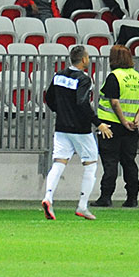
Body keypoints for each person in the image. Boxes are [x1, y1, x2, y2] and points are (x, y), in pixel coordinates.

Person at [42, 45, 113, 220]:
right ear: (83, 60)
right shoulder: (84, 79)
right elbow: (82, 103)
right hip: (80, 129)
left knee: (58, 163)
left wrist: (61, 111)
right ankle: (82, 205)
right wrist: (98, 123)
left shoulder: (58, 75)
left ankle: (48, 197)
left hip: (62, 127)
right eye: (87, 57)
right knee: (90, 164)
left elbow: (48, 97)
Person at [92, 45, 139, 207]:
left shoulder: (114, 76)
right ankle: (132, 197)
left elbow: (114, 102)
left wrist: (123, 121)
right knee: (129, 162)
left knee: (110, 162)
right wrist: (136, 119)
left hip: (111, 126)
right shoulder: (138, 77)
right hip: (132, 127)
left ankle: (106, 197)